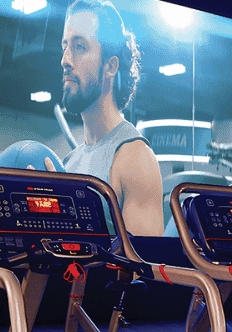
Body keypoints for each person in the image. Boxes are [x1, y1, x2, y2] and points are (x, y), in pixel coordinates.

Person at [56, 0, 163, 236]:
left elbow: (142, 270)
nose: (65, 60)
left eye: (79, 46)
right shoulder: (68, 163)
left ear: (110, 66)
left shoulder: (135, 159)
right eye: (65, 46)